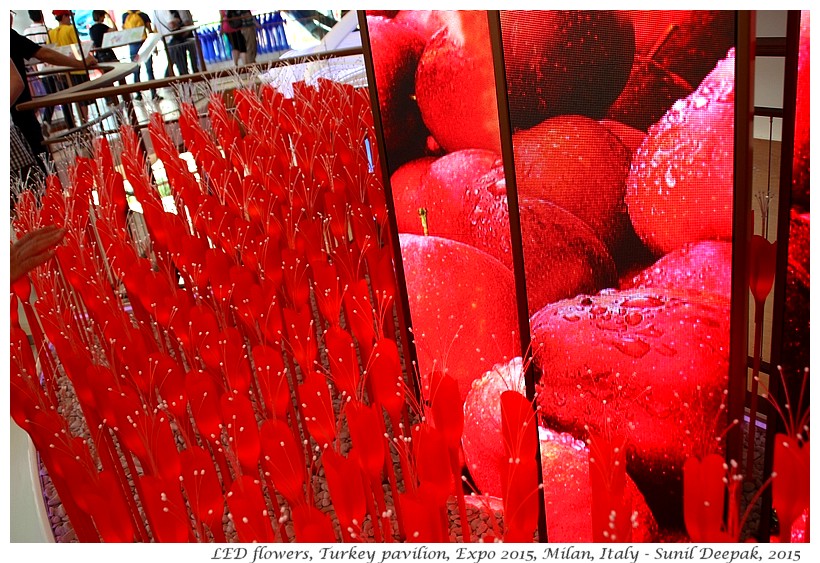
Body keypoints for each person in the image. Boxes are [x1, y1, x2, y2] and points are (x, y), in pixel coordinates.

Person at [10, 20, 98, 168]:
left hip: (21, 110)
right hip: (19, 113)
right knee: (35, 163)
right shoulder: (66, 29)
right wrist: (80, 63)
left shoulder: (51, 32)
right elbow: (43, 53)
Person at [22, 10, 59, 134]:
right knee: (55, 95)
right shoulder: (47, 30)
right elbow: (49, 51)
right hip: (50, 68)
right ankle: (47, 121)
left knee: (42, 98)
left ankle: (44, 122)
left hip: (35, 71)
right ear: (42, 16)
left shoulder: (26, 32)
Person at [153, 10, 199, 76]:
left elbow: (155, 27)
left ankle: (177, 78)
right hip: (173, 38)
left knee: (173, 61)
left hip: (165, 39)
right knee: (180, 63)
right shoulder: (164, 10)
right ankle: (180, 78)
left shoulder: (155, 12)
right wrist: (178, 21)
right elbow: (171, 24)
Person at [122, 9, 156, 99]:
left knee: (136, 70)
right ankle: (154, 93)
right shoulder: (143, 15)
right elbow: (150, 31)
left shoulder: (125, 16)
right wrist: (154, 46)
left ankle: (138, 94)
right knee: (149, 69)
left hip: (133, 45)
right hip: (144, 44)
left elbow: (123, 30)